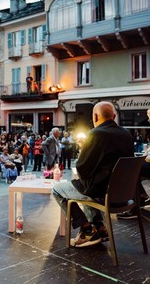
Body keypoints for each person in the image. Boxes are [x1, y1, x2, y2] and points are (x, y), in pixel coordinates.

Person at [53, 101, 134, 247]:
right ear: (114, 116)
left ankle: (87, 229)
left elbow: (82, 169)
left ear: (95, 117)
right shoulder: (126, 134)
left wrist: (84, 149)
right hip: (124, 197)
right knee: (88, 186)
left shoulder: (95, 134)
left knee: (58, 189)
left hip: (102, 195)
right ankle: (100, 228)